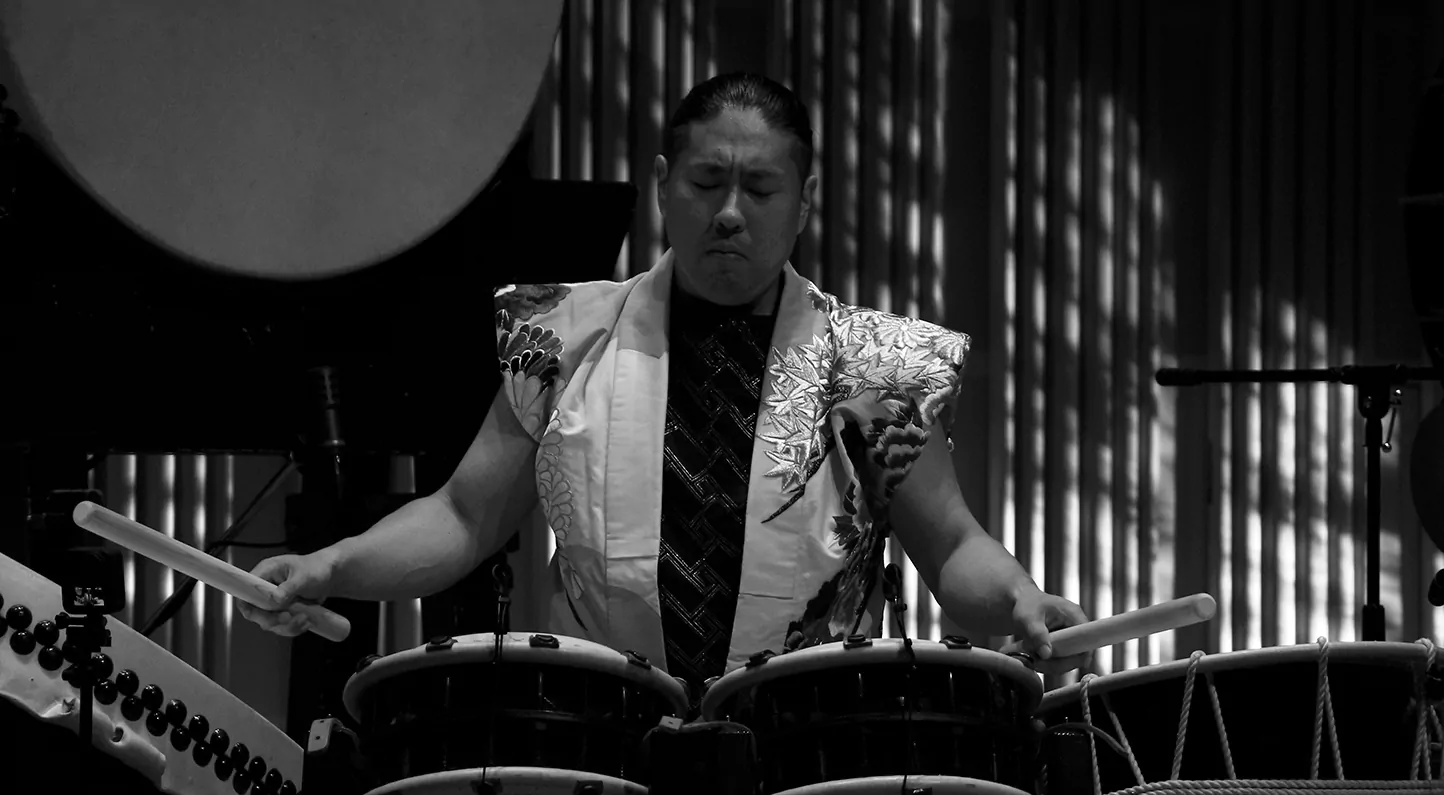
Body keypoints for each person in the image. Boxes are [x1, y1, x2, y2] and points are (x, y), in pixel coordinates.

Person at [240, 72, 1092, 694]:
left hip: (809, 737)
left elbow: (950, 548)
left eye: (760, 188)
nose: (729, 212)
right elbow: (463, 517)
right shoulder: (564, 338)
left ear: (805, 200)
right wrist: (331, 564)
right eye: (705, 183)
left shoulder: (874, 364)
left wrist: (1020, 598)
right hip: (609, 730)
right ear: (660, 185)